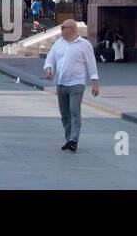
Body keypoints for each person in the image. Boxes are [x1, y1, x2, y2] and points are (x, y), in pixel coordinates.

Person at [42, 19, 99, 153]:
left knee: (74, 111)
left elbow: (91, 64)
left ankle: (74, 140)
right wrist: (49, 68)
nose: (61, 30)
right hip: (61, 83)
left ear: (72, 29)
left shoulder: (84, 45)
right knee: (64, 114)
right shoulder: (59, 43)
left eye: (63, 28)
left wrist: (95, 82)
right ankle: (69, 139)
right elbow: (50, 58)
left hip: (76, 83)